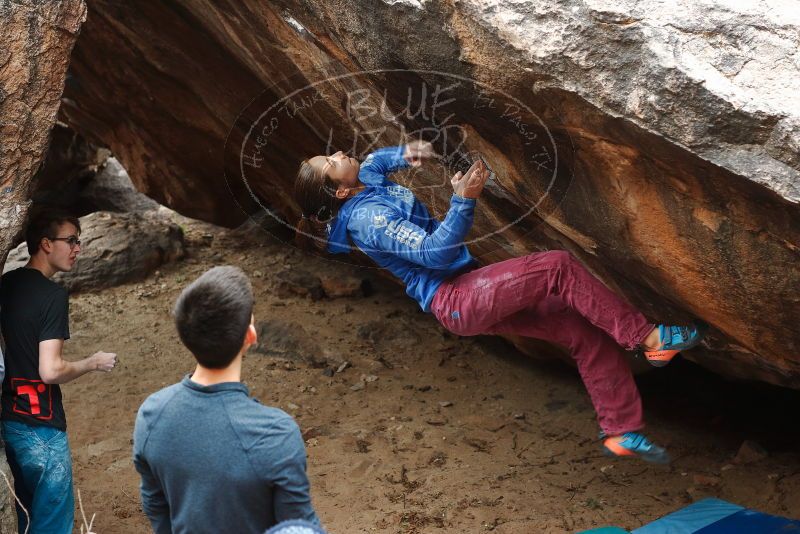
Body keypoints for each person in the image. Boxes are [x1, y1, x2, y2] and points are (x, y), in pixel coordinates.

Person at [293, 142, 707, 464]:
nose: (339, 153)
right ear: (343, 191)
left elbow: (378, 164)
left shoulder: (364, 178)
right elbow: (434, 254)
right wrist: (464, 199)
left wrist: (412, 151)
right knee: (556, 268)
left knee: (581, 330)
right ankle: (650, 339)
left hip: (467, 288)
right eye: (331, 162)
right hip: (456, 297)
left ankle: (620, 431)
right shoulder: (369, 221)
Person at [133, 266, 320, 533]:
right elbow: (299, 526)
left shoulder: (151, 414)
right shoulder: (275, 432)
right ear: (250, 336)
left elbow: (155, 504)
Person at [0, 211, 117, 534]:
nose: (78, 248)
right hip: (43, 427)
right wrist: (93, 362)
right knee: (52, 522)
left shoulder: (6, 283)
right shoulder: (53, 297)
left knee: (22, 512)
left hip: (8, 421)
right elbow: (50, 370)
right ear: (46, 244)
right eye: (71, 240)